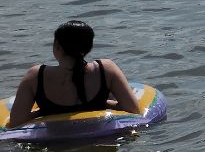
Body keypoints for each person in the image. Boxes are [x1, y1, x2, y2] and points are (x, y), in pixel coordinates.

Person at [6, 21, 144, 127]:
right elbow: (133, 110)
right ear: (89, 47)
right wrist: (103, 104)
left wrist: (43, 112)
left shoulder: (36, 75)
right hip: (99, 141)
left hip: (53, 144)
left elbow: (16, 121)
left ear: (57, 47)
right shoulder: (106, 69)